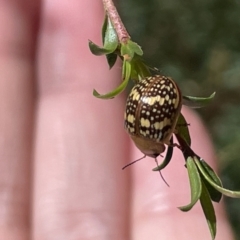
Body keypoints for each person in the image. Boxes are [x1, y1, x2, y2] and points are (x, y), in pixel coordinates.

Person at [0, 0, 234, 239]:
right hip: (150, 90)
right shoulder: (135, 128)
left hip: (157, 91)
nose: (159, 154)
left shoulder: (154, 134)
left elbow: (168, 123)